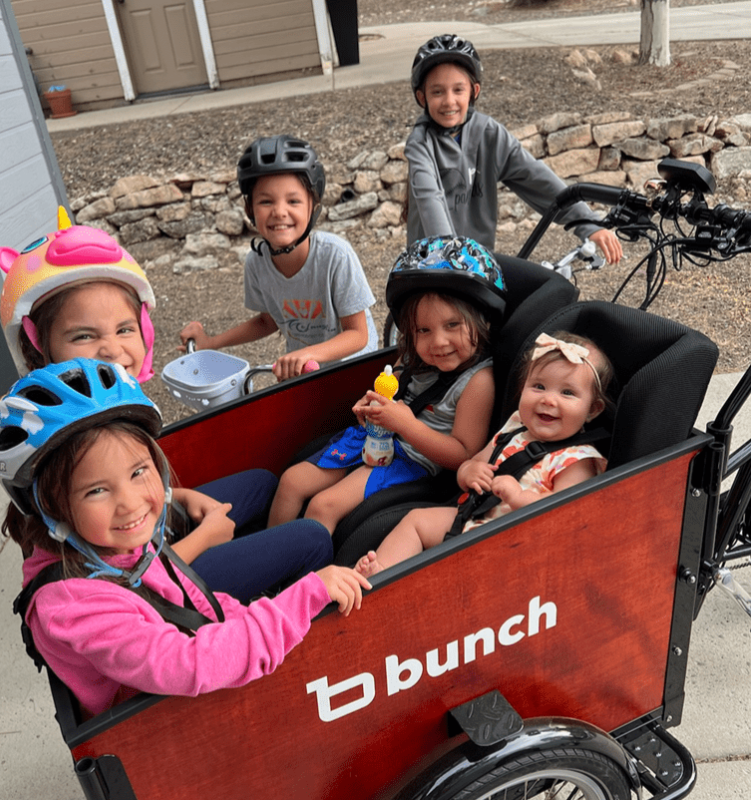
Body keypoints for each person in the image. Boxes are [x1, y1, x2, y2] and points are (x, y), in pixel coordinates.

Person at [0, 359, 370, 719]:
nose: (130, 504)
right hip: (162, 722)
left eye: (139, 472)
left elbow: (189, 598)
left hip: (175, 672)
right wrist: (300, 599)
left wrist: (264, 616)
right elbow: (191, 664)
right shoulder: (73, 604)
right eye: (96, 491)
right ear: (50, 507)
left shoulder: (105, 546)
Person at [0, 216, 332, 600]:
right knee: (312, 539)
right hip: (148, 591)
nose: (111, 349)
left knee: (263, 483)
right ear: (38, 345)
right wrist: (204, 539)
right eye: (84, 336)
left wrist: (180, 498)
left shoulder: (99, 409)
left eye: (124, 329)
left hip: (149, 539)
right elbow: (121, 581)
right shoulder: (64, 438)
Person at [268, 236, 506, 535]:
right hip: (380, 438)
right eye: (424, 330)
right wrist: (371, 406)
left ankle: (306, 579)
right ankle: (268, 563)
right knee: (291, 481)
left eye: (453, 325)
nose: (438, 342)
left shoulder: (478, 381)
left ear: (483, 320)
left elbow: (463, 454)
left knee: (322, 506)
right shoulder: (412, 358)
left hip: (414, 459)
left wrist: (405, 425)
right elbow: (388, 391)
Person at [355, 331, 612, 576]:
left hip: (513, 542)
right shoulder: (515, 425)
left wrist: (520, 496)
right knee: (416, 521)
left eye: (567, 393)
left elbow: (567, 519)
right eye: (539, 386)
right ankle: (382, 574)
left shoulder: (578, 460)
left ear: (593, 409)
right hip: (475, 516)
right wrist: (469, 472)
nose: (548, 400)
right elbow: (474, 462)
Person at [405, 34, 623, 265]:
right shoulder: (420, 145)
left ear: (474, 91)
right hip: (432, 265)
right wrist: (449, 257)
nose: (449, 101)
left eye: (458, 90)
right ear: (422, 97)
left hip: (477, 265)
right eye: (437, 92)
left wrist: (588, 224)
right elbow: (430, 200)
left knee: (550, 289)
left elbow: (537, 178)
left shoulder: (489, 134)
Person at [179, 135, 378, 380]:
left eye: (293, 200)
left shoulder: (336, 256)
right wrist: (211, 342)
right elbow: (267, 321)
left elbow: (358, 335)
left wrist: (307, 354)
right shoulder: (256, 262)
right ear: (249, 209)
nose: (279, 212)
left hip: (353, 368)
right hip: (303, 371)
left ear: (313, 207)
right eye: (265, 201)